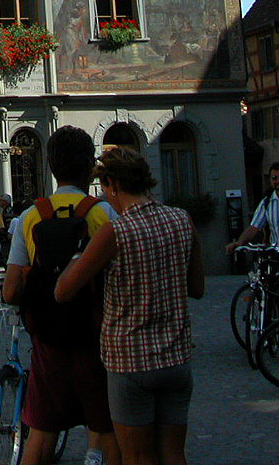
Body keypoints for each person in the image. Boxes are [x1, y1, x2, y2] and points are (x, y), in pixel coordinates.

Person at [56, 146, 203, 465]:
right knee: (174, 454)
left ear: (113, 184)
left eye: (105, 188)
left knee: (137, 457)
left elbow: (63, 291)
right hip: (176, 359)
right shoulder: (181, 219)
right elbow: (197, 288)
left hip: (130, 361)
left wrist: (81, 255)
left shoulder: (116, 231)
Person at [1, 126, 119, 465]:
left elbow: (10, 291)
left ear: (50, 166)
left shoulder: (30, 216)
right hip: (97, 339)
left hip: (49, 341)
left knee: (39, 440)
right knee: (107, 430)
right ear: (89, 167)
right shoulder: (105, 214)